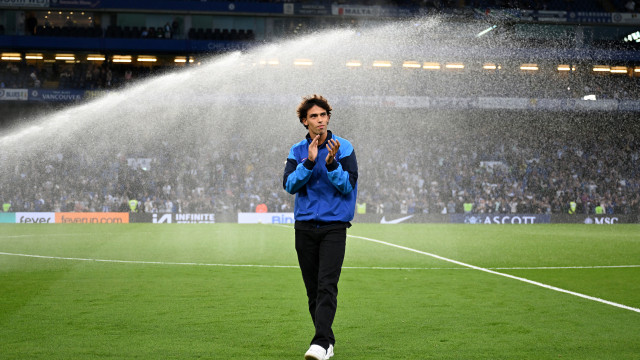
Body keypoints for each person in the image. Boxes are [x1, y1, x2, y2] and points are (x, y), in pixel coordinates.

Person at [283, 95, 358, 360]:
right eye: (313, 116)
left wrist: (332, 164)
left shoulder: (344, 147)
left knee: (327, 285)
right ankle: (327, 342)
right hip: (304, 228)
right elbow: (289, 185)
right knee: (313, 289)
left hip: (333, 228)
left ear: (328, 117)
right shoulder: (297, 151)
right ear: (305, 122)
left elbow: (347, 185)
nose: (320, 120)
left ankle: (318, 343)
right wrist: (310, 162)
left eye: (323, 115)